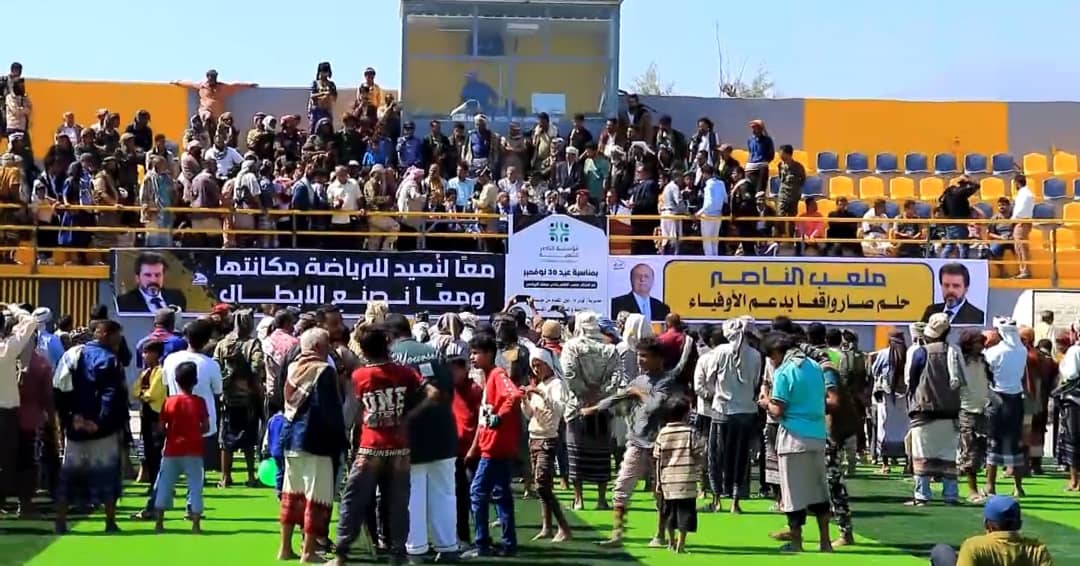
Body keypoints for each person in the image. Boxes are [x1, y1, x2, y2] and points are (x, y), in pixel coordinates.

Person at [335, 324, 441, 565]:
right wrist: (408, 417)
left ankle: (342, 553)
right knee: (398, 504)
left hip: (370, 447)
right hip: (399, 449)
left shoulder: (360, 376)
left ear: (363, 349)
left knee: (353, 500)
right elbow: (433, 394)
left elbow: (353, 411)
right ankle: (398, 554)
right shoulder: (405, 373)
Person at [589, 336, 683, 549]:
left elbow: (654, 406)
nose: (640, 360)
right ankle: (617, 534)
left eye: (645, 356)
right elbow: (617, 398)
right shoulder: (638, 380)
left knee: (660, 491)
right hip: (636, 442)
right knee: (621, 486)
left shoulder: (667, 382)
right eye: (639, 355)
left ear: (658, 358)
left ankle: (660, 534)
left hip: (659, 444)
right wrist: (594, 408)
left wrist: (638, 394)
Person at [383, 314, 461, 564]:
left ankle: (415, 548)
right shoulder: (434, 352)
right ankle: (448, 547)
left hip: (409, 436)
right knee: (445, 493)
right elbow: (450, 390)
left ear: (388, 335)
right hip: (443, 433)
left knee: (412, 493)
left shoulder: (391, 357)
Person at [52, 319, 129, 534]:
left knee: (69, 477)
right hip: (103, 431)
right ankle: (110, 522)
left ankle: (60, 522)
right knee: (108, 476)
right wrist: (99, 422)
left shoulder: (73, 355)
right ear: (105, 334)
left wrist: (71, 418)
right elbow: (111, 396)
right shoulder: (110, 360)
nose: (119, 341)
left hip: (75, 429)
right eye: (117, 336)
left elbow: (59, 388)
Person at [759, 331, 833, 553]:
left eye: (771, 356)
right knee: (819, 491)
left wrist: (765, 402)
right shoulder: (815, 366)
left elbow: (778, 410)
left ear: (776, 352)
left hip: (793, 438)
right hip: (818, 435)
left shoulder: (784, 371)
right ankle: (826, 542)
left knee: (793, 495)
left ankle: (797, 542)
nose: (772, 361)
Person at [280, 328, 347, 564]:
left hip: (291, 439)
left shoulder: (293, 367)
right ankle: (308, 552)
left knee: (292, 496)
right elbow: (329, 410)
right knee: (316, 498)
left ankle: (285, 548)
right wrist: (341, 440)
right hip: (317, 441)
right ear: (318, 347)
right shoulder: (323, 370)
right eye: (327, 345)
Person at [462, 334, 524, 559]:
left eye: (476, 353)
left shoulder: (497, 374)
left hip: (495, 447)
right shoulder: (489, 376)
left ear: (489, 354)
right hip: (493, 445)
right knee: (501, 495)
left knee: (477, 492)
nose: (472, 357)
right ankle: (508, 544)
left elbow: (514, 395)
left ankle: (482, 544)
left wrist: (500, 416)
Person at [694, 317, 761, 514]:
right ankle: (735, 501)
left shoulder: (720, 352)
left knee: (717, 457)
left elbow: (710, 378)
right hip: (747, 411)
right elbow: (755, 382)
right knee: (741, 456)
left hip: (722, 410)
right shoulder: (756, 355)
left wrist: (719, 391)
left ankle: (716, 499)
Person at [561, 311, 623, 510]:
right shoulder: (610, 349)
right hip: (601, 408)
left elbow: (569, 373)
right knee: (601, 453)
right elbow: (617, 376)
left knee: (576, 453)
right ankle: (601, 499)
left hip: (577, 407)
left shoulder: (571, 347)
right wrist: (601, 394)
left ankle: (578, 499)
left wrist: (584, 393)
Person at [905, 313, 964, 506]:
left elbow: (912, 381)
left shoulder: (921, 352)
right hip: (950, 412)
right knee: (948, 455)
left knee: (921, 454)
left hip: (924, 410)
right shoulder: (954, 352)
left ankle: (922, 495)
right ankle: (950, 495)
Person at [521, 346, 572, 543]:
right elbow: (530, 415)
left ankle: (563, 527)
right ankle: (547, 526)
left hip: (548, 438)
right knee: (541, 484)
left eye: (539, 365)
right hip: (534, 436)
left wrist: (541, 394)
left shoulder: (556, 385)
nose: (536, 369)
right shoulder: (540, 385)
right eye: (534, 366)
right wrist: (525, 400)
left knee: (542, 484)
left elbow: (559, 409)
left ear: (548, 364)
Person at [153, 360, 208, 534]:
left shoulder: (169, 402)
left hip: (172, 449)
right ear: (195, 381)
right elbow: (206, 427)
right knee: (195, 486)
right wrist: (196, 431)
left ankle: (159, 523)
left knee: (164, 484)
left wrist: (170, 432)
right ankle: (196, 524)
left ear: (176, 380)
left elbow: (161, 428)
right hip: (194, 450)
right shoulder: (199, 402)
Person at [163, 319, 223, 473]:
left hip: (176, 421)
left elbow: (166, 385)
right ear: (207, 340)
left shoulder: (170, 360)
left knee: (171, 467)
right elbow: (218, 391)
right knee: (198, 468)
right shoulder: (211, 364)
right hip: (203, 424)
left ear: (186, 337)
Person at [213, 309, 263, 488]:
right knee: (249, 440)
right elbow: (257, 366)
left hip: (227, 398)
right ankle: (251, 476)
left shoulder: (222, 343)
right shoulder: (253, 344)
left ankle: (225, 477)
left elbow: (216, 366)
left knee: (226, 440)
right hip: (248, 399)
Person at [928, 495, 1053, 566]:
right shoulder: (1037, 550)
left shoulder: (974, 546)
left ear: (987, 524)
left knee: (941, 551)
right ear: (1019, 524)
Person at [652, 394, 704, 554]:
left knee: (669, 512)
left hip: (667, 481)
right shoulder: (690, 432)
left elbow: (658, 459)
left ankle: (671, 541)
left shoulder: (663, 433)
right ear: (686, 414)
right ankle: (681, 544)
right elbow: (699, 453)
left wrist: (658, 481)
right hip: (686, 480)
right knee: (685, 513)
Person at [983, 317, 1029, 497]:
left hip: (998, 398)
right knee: (1015, 442)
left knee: (993, 441)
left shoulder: (994, 352)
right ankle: (1018, 487)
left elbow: (987, 372)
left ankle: (990, 486)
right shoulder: (1022, 350)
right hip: (1016, 400)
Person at [0, 305, 37, 508]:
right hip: (6, 412)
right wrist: (13, 308)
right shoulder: (7, 349)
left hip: (7, 411)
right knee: (6, 458)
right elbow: (30, 321)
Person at [130, 340, 167, 519]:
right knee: (149, 453)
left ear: (156, 354)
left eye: (147, 352)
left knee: (157, 452)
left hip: (155, 416)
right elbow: (134, 391)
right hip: (145, 415)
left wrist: (143, 395)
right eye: (143, 353)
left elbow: (153, 394)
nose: (144, 356)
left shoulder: (160, 372)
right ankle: (153, 483)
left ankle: (159, 488)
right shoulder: (145, 373)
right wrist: (143, 395)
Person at [450, 355, 482, 546]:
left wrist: (474, 448)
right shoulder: (449, 390)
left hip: (472, 451)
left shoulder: (475, 390)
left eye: (456, 369)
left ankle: (480, 538)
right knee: (457, 496)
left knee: (474, 495)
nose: (452, 374)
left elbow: (481, 423)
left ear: (465, 370)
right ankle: (462, 537)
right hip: (454, 452)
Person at [957, 330, 992, 503]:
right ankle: (972, 490)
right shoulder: (960, 362)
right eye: (977, 343)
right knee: (970, 451)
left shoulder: (983, 361)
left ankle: (987, 488)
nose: (980, 346)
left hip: (983, 409)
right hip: (966, 409)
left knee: (984, 450)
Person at [870, 330, 911, 474]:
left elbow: (874, 371)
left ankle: (885, 465)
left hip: (886, 397)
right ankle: (907, 464)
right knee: (905, 429)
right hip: (905, 397)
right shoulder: (909, 354)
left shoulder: (883, 354)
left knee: (885, 429)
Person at [115, 251, 188, 313]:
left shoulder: (177, 297)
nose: (153, 280)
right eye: (148, 275)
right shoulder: (124, 302)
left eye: (157, 275)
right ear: (137, 278)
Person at [1054, 322, 1080, 491]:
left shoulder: (1075, 351)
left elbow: (1071, 374)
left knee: (1073, 440)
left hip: (1074, 401)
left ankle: (1075, 480)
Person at [921, 263, 986, 325]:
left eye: (956, 286)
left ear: (966, 289)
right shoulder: (931, 311)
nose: (950, 290)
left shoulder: (978, 317)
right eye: (946, 285)